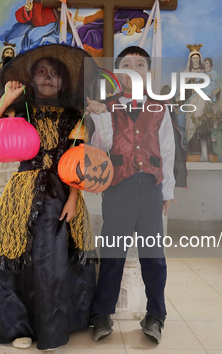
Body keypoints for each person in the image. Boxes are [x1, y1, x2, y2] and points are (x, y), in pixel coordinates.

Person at [0, 44, 97, 351]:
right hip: (21, 194)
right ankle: (18, 326)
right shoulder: (21, 109)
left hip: (61, 195)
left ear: (63, 82)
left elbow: (79, 159)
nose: (47, 77)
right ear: (32, 78)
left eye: (54, 73)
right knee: (17, 258)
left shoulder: (74, 116)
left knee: (52, 262)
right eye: (41, 72)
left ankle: (53, 327)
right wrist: (6, 98)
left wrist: (73, 198)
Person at [86, 46, 187, 344]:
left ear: (148, 73)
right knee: (113, 252)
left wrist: (167, 191)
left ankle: (156, 315)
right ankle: (102, 313)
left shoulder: (160, 106)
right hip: (118, 188)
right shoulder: (107, 105)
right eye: (127, 64)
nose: (133, 69)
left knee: (154, 255)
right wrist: (102, 117)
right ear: (118, 73)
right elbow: (101, 146)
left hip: (151, 190)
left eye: (139, 64)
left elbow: (167, 150)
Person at [74, 0, 149, 58]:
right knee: (80, 30)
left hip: (117, 26)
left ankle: (95, 64)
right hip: (103, 24)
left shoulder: (130, 3)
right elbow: (101, 14)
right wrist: (83, 19)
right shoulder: (108, 0)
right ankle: (77, 59)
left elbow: (142, 17)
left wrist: (134, 25)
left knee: (92, 34)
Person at [0, 0, 71, 52]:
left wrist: (61, 11)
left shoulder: (57, 5)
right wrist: (27, 10)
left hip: (54, 34)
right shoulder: (34, 5)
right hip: (36, 34)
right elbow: (18, 15)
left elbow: (68, 19)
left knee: (53, 40)